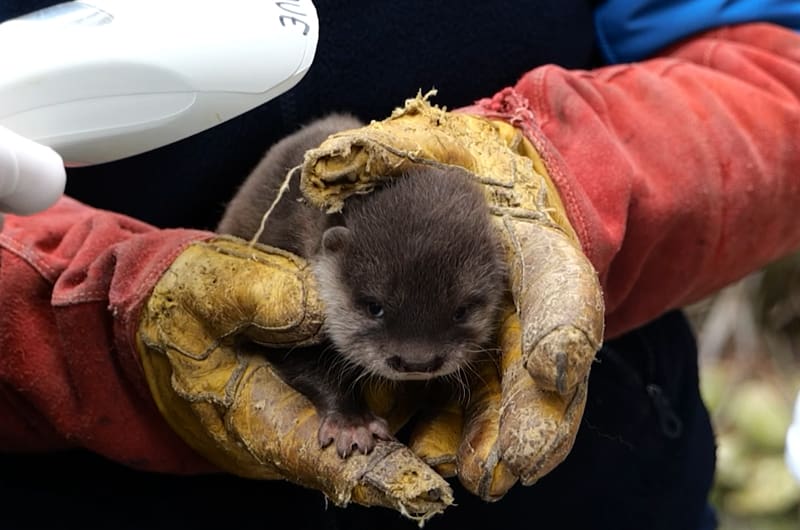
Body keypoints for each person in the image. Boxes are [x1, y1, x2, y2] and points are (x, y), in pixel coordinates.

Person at [2, 1, 800, 529]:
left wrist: (578, 182)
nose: (419, 360)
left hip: (591, 487)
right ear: (329, 256)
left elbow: (776, 67)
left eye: (456, 320)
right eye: (382, 317)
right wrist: (76, 300)